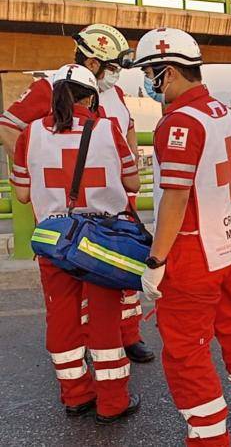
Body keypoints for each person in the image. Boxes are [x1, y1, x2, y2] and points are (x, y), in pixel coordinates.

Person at [134, 28, 231, 446]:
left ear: (168, 72)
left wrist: (155, 262)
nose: (148, 82)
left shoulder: (178, 124)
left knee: (186, 351)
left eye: (150, 73)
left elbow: (174, 197)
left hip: (193, 253)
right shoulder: (221, 112)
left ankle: (209, 437)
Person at [0, 23, 154, 364]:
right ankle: (98, 354)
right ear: (95, 62)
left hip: (113, 209)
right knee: (79, 287)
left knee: (121, 278)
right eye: (112, 67)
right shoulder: (49, 87)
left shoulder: (113, 95)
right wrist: (35, 170)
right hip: (65, 215)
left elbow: (127, 132)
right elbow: (8, 127)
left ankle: (128, 338)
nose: (115, 75)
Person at [10, 64, 141, 422]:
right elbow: (134, 184)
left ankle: (75, 396)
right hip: (102, 240)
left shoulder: (31, 134)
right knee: (104, 319)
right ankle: (113, 401)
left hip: (55, 241)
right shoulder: (107, 129)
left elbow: (22, 194)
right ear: (92, 98)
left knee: (62, 317)